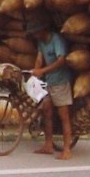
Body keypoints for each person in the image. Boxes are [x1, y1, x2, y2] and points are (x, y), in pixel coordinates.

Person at [26, 18, 73, 160]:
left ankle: (66, 149)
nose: (34, 35)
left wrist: (43, 71)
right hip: (48, 82)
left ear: (42, 30)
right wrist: (36, 72)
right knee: (46, 111)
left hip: (61, 82)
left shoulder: (56, 40)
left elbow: (61, 60)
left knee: (64, 116)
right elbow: (40, 58)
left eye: (36, 32)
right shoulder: (41, 42)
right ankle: (48, 145)